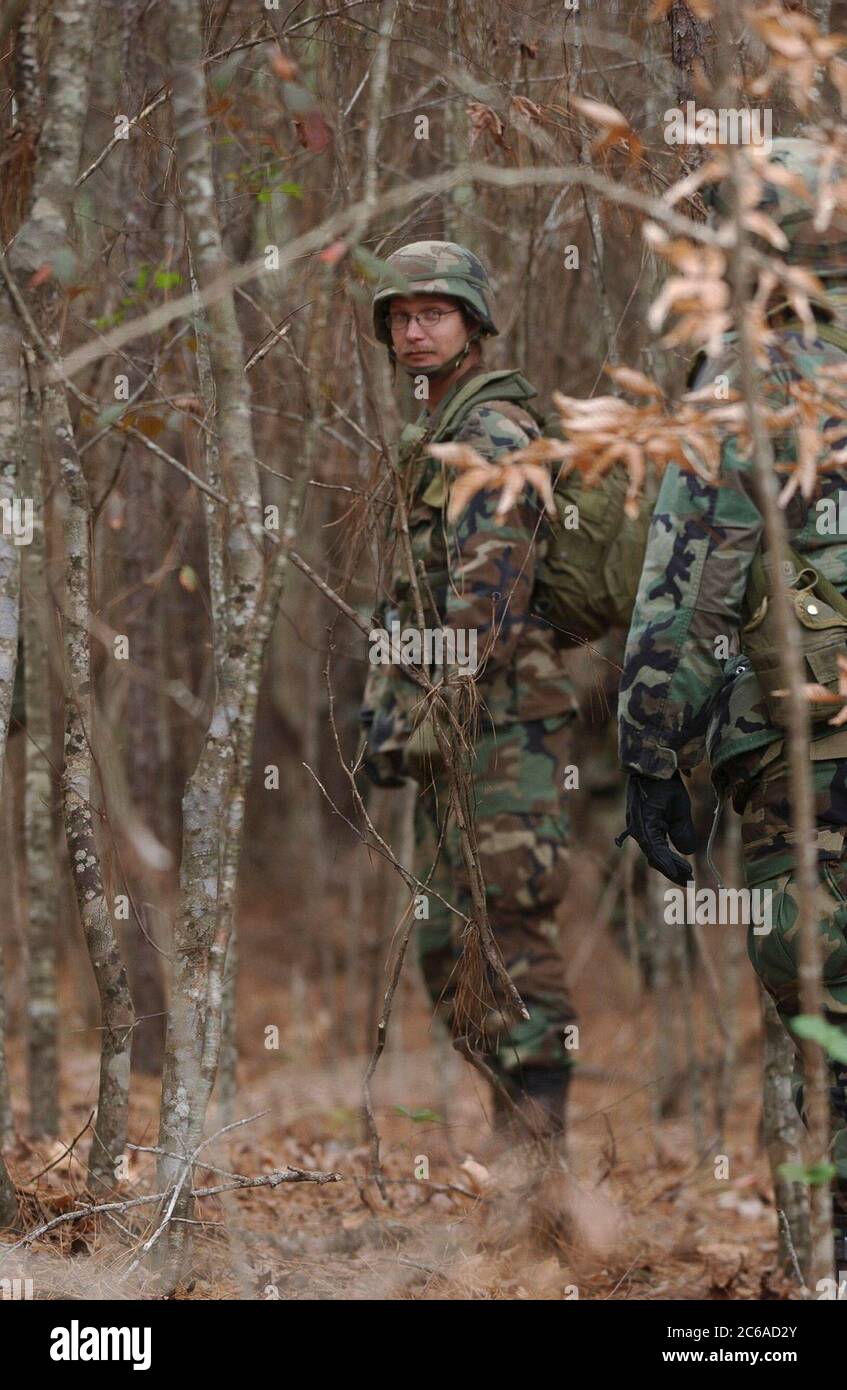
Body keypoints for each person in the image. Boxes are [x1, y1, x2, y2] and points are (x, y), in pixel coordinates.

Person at [616, 139, 847, 1271]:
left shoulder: (752, 373)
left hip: (811, 752)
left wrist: (651, 751)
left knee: (829, 1019)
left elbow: (688, 582)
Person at [361, 240, 578, 1139]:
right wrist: (388, 711)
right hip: (446, 731)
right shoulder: (438, 429)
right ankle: (517, 1153)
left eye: (433, 315)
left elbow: (485, 598)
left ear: (472, 324)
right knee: (449, 950)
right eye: (401, 318)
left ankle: (543, 1177)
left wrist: (435, 707)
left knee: (509, 944)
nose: (414, 332)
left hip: (503, 734)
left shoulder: (491, 432)